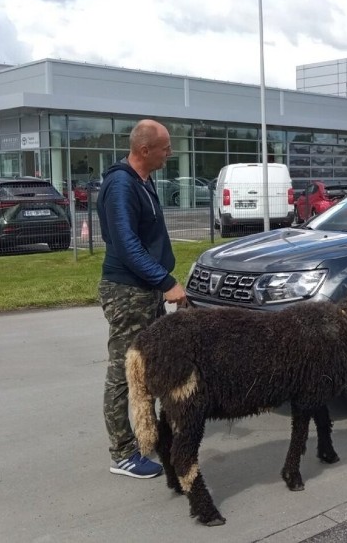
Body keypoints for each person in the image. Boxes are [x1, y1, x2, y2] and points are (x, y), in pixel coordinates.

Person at [98, 119, 188, 478]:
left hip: (144, 290)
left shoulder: (142, 181)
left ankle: (148, 438)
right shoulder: (121, 185)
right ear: (144, 150)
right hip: (127, 293)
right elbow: (126, 244)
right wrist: (165, 281)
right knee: (124, 370)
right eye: (165, 147)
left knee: (147, 368)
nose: (170, 153)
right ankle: (122, 452)